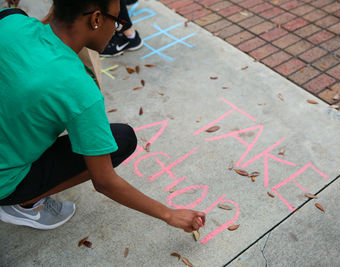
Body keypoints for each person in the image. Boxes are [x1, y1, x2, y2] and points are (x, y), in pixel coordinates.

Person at [0, 0, 205, 233]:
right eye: (117, 22)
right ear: (96, 19)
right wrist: (169, 214)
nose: (115, 29)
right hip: (4, 182)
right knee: (122, 139)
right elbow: (105, 182)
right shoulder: (78, 88)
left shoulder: (10, 20)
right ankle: (24, 204)